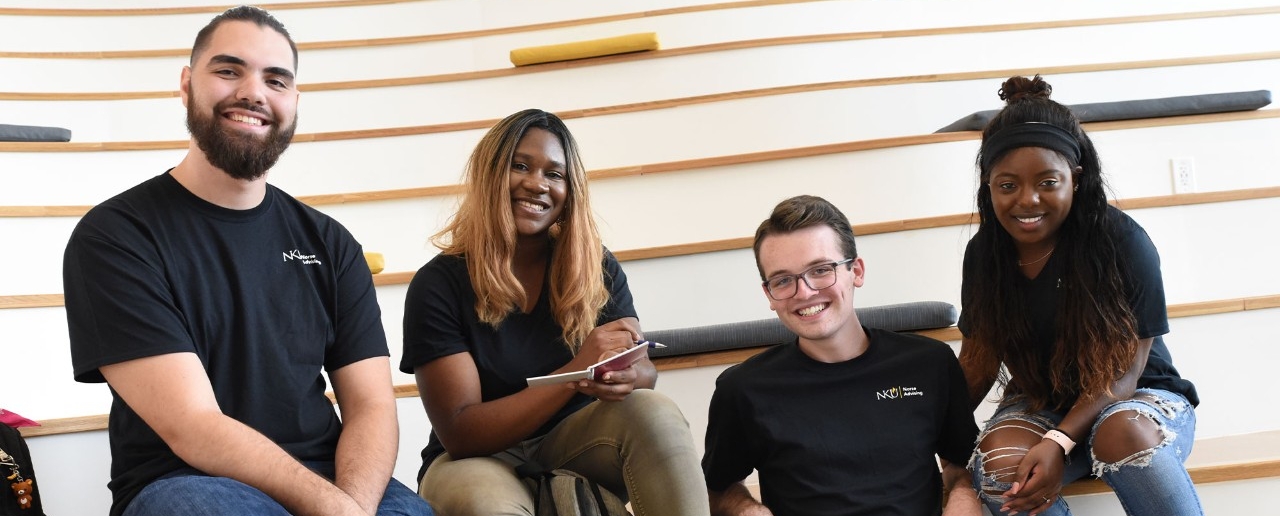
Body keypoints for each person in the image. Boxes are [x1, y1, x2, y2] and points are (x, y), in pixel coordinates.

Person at [62, 7, 434, 516]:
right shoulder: (117, 236)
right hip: (191, 483)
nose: (254, 93)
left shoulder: (330, 242)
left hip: (329, 477)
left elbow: (370, 405)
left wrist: (355, 505)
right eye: (229, 70)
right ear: (188, 84)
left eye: (275, 80)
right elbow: (192, 425)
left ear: (294, 101)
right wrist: (337, 511)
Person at [400, 108, 710, 515]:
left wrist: (629, 376)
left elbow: (645, 370)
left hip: (574, 441)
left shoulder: (593, 265)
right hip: (475, 459)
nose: (536, 184)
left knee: (655, 414)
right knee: (485, 504)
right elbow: (462, 432)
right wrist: (574, 374)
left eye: (554, 174)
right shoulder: (438, 284)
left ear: (570, 190)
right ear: (491, 174)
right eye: (520, 165)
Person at [958, 75, 1202, 516]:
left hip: (1135, 398)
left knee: (1120, 432)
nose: (1027, 200)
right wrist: (925, 442)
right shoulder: (984, 254)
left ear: (1075, 177)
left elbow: (1126, 372)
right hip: (1042, 398)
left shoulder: (1121, 239)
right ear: (988, 185)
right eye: (1007, 185)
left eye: (1047, 182)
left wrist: (1059, 440)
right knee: (997, 461)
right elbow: (977, 362)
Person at [702, 195, 981, 516]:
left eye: (821, 270)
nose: (804, 292)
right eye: (783, 280)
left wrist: (964, 496)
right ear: (769, 294)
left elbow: (964, 463)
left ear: (856, 271)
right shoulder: (742, 389)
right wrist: (749, 511)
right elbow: (716, 487)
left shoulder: (929, 363)